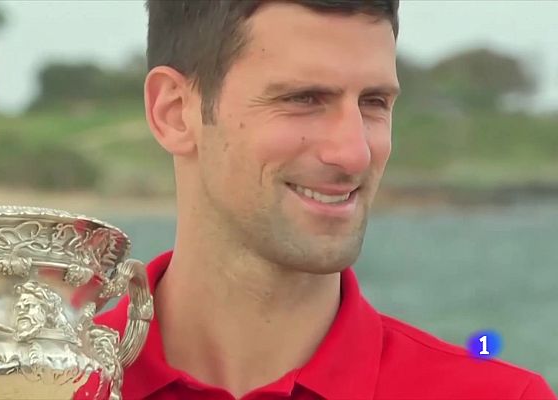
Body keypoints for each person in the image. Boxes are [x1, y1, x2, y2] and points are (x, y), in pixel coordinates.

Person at [75, 1, 556, 399]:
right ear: (176, 113)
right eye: (304, 98)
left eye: (374, 103)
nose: (354, 153)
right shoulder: (42, 383)